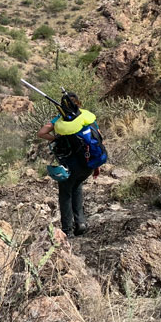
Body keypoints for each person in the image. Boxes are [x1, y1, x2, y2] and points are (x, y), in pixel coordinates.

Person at [37, 92, 99, 238]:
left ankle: (67, 230)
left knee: (65, 194)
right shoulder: (87, 117)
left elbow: (41, 133)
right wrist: (96, 165)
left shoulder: (60, 119)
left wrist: (56, 139)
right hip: (88, 165)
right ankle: (81, 223)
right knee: (77, 187)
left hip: (70, 165)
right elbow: (97, 139)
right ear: (79, 103)